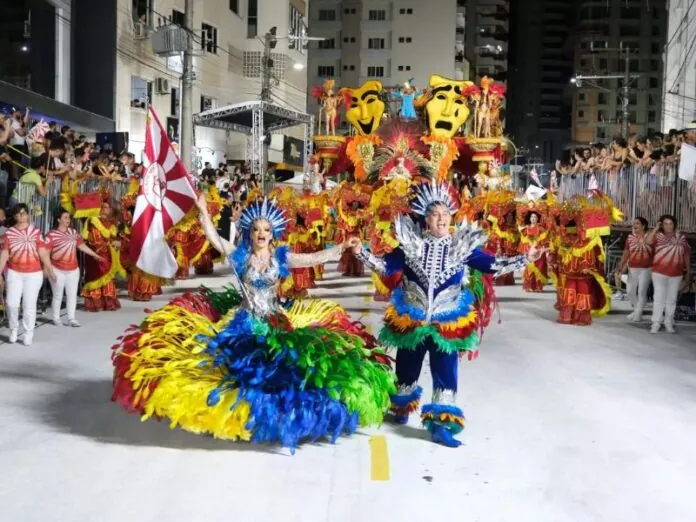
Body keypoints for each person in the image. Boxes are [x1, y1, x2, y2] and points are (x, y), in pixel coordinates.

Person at [111, 194, 395, 451]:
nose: (261, 234)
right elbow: (214, 239)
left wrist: (343, 246)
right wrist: (203, 212)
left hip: (274, 319)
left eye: (266, 230)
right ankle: (236, 414)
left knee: (279, 369)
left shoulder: (281, 257)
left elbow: (313, 258)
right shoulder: (241, 256)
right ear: (250, 232)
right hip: (245, 319)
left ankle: (269, 416)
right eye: (257, 229)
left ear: (274, 234)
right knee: (235, 366)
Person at [350, 181, 532, 448]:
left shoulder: (463, 247)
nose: (442, 219)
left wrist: (526, 258)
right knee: (406, 368)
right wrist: (359, 252)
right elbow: (385, 266)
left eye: (446, 214)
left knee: (446, 372)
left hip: (447, 322)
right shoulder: (411, 244)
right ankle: (400, 408)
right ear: (426, 219)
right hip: (412, 318)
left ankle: (441, 425)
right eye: (436, 214)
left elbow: (493, 265)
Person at [0, 203, 56, 345]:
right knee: (12, 304)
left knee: (29, 304)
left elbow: (43, 252)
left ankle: (28, 333)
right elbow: (5, 253)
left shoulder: (35, 232)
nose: (21, 216)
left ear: (28, 215)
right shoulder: (9, 233)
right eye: (18, 214)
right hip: (14, 272)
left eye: (24, 213)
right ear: (14, 216)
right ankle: (13, 328)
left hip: (33, 273)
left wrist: (49, 267)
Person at [46, 209, 104, 326]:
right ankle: (56, 318)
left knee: (72, 295)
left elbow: (81, 245)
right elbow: (46, 252)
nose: (68, 220)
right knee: (58, 295)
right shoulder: (51, 234)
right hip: (57, 269)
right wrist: (49, 269)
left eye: (69, 217)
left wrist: (95, 255)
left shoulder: (73, 232)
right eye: (65, 217)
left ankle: (71, 318)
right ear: (58, 220)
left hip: (73, 269)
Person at [646, 214, 691, 333]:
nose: (668, 226)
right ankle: (656, 322)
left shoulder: (681, 238)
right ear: (662, 225)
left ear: (674, 225)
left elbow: (686, 255)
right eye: (665, 224)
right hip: (659, 272)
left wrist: (688, 271)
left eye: (670, 224)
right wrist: (656, 228)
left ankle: (668, 322)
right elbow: (647, 241)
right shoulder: (658, 236)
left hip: (676, 273)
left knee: (671, 299)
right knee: (658, 298)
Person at [80, 199, 124, 312]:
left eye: (107, 207)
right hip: (96, 252)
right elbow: (93, 239)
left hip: (108, 253)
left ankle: (107, 302)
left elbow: (113, 239)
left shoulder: (110, 223)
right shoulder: (93, 220)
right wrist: (103, 246)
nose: (105, 209)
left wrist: (114, 243)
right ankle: (95, 303)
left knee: (108, 277)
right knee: (96, 275)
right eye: (103, 207)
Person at [616, 217, 653, 322]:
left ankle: (637, 314)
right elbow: (626, 252)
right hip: (633, 268)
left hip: (646, 269)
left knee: (642, 291)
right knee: (630, 291)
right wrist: (621, 264)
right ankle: (637, 310)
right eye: (634, 223)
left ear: (643, 226)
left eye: (637, 223)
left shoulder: (650, 237)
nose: (634, 225)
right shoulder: (630, 237)